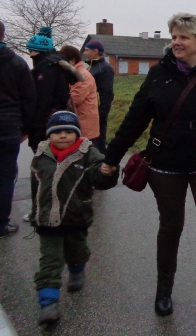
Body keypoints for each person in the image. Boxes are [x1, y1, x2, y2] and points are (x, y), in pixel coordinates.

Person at [101, 13, 196, 332]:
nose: (176, 42)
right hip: (166, 165)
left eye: (183, 37)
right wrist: (111, 157)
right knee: (170, 227)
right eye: (174, 37)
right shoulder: (159, 75)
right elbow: (135, 118)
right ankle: (164, 290)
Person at [31, 111, 118, 325]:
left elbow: (99, 179)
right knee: (49, 261)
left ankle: (77, 270)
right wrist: (36, 212)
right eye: (57, 132)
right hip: (48, 221)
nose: (63, 136)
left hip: (75, 217)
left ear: (77, 134)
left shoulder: (87, 153)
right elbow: (37, 188)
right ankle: (48, 304)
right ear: (49, 135)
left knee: (76, 251)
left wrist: (107, 172)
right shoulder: (41, 155)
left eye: (69, 132)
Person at [0, 21, 36, 237]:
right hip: (8, 126)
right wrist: (26, 128)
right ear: (3, 35)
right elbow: (29, 99)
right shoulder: (17, 63)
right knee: (5, 176)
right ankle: (1, 223)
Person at [26, 27, 82, 152]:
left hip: (45, 121)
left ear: (39, 50)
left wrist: (35, 124)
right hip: (58, 115)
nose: (30, 54)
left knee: (45, 156)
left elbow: (43, 98)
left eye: (31, 51)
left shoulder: (46, 68)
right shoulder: (58, 64)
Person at [59, 46, 100, 143]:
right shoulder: (74, 74)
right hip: (81, 120)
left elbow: (74, 100)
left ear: (72, 61)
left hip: (83, 123)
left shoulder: (82, 76)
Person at [83, 40, 114, 153]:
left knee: (98, 145)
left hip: (97, 113)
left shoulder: (104, 68)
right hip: (89, 112)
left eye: (87, 50)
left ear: (95, 51)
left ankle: (101, 163)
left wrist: (101, 113)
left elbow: (107, 93)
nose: (84, 53)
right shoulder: (91, 67)